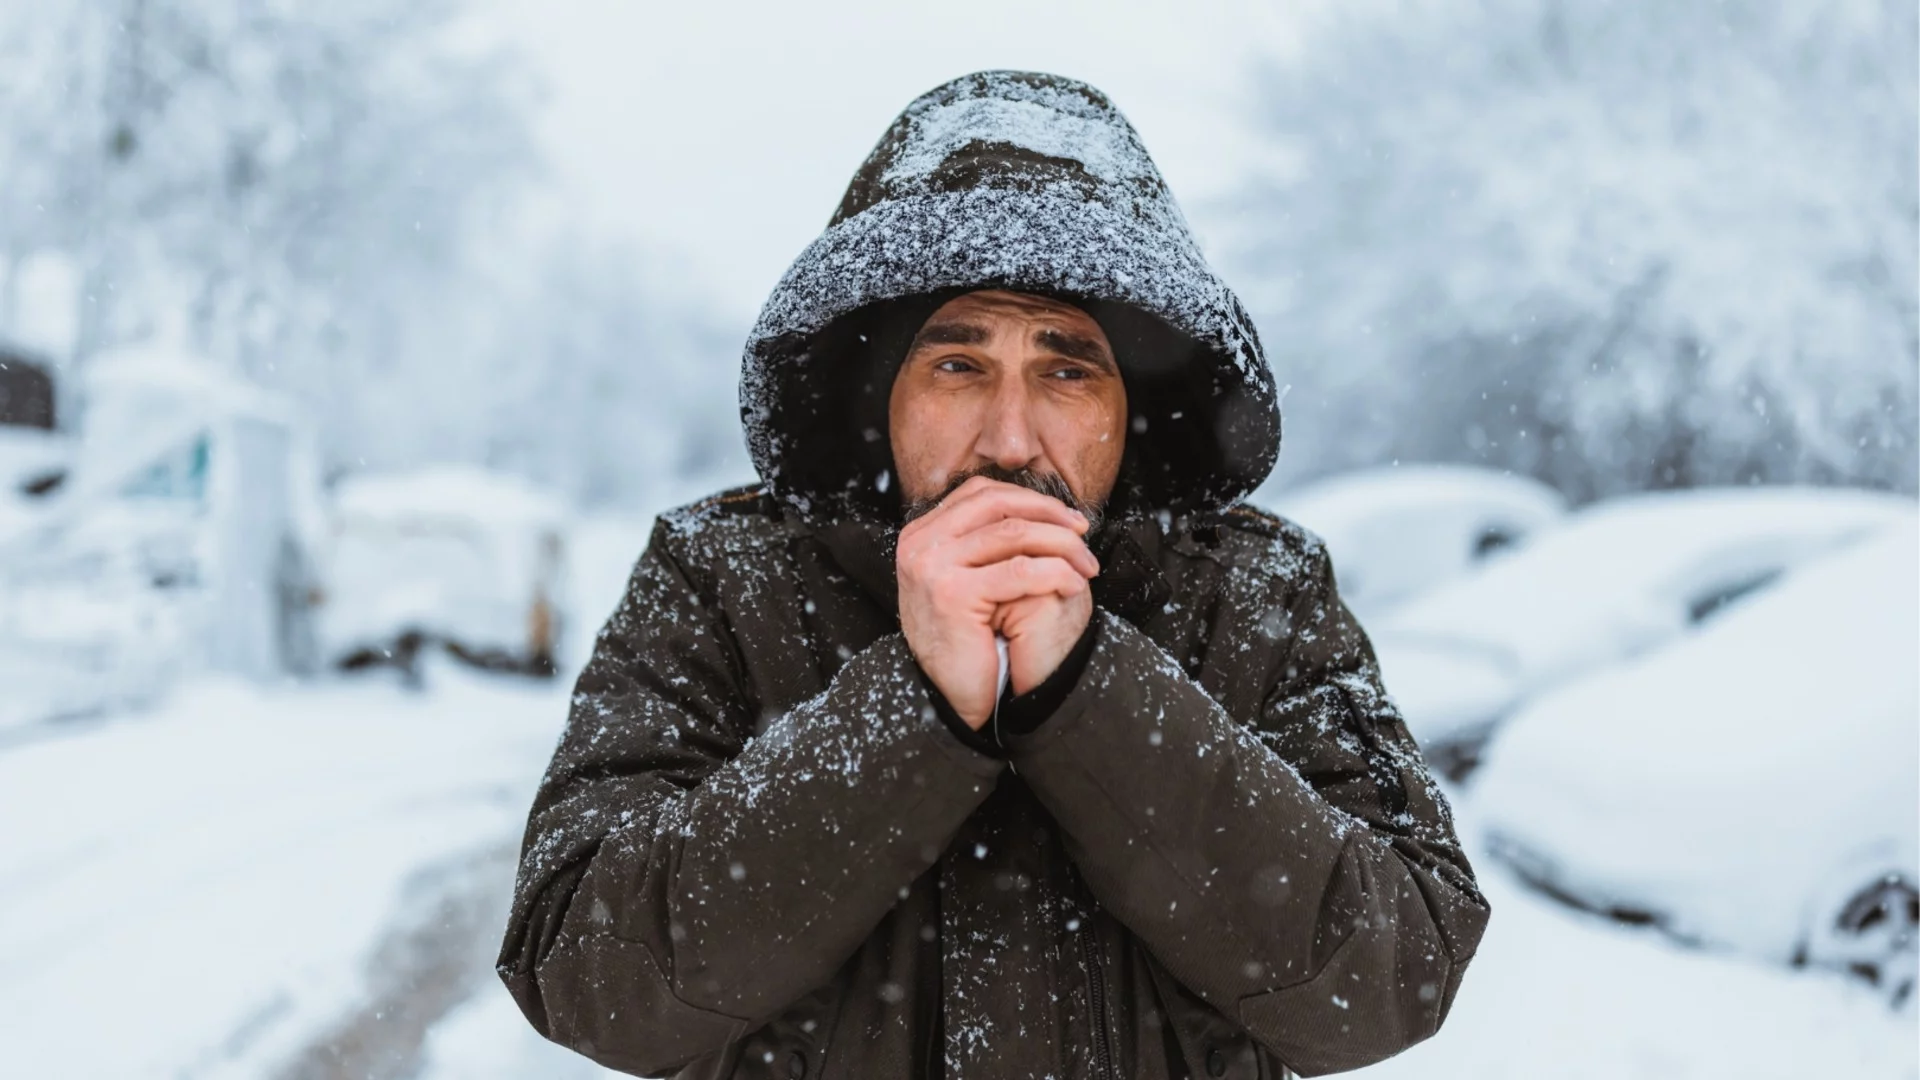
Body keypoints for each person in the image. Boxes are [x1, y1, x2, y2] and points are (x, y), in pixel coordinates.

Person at [498, 70, 1487, 1079]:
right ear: (879, 395)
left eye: (1066, 369)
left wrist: (1086, 687)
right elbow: (584, 978)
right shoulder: (722, 581)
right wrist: (913, 707)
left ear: (1132, 412)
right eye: (958, 365)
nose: (1011, 440)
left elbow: (1392, 979)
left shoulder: (1259, 597)